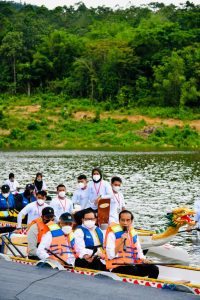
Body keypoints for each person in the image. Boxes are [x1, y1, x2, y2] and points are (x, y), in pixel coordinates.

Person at [105, 210, 159, 279]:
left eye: (128, 220)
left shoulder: (133, 233)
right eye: (123, 220)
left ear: (131, 221)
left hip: (132, 264)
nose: (125, 223)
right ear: (119, 221)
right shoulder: (112, 234)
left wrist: (144, 259)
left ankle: (149, 287)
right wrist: (121, 241)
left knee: (154, 269)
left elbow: (139, 251)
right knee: (133, 270)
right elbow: (110, 255)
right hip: (117, 266)